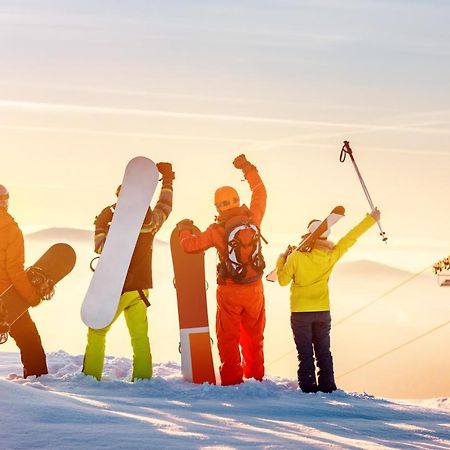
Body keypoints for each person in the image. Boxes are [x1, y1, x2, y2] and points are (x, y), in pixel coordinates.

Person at [177, 154, 267, 386]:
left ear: (218, 206)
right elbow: (260, 192)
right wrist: (248, 169)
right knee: (254, 335)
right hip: (255, 288)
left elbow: (190, 247)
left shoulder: (216, 229)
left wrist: (184, 231)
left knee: (228, 337)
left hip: (229, 291)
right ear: (237, 200)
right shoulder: (253, 218)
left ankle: (231, 379)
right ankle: (255, 376)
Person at [82, 162, 174, 381]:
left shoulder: (108, 215)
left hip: (115, 288)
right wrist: (168, 180)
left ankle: (91, 376)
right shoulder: (151, 220)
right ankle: (143, 378)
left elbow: (100, 246)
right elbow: (165, 207)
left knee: (97, 330)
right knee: (140, 337)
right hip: (140, 289)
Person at [276, 208, 381, 393]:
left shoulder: (296, 257)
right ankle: (327, 386)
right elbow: (350, 238)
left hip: (301, 312)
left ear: (308, 235)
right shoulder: (331, 256)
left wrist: (282, 260)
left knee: (305, 353)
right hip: (322, 311)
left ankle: (308, 387)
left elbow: (282, 281)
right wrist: (371, 219)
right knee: (323, 351)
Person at [0, 184, 48, 378]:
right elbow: (14, 270)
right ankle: (37, 381)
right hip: (6, 298)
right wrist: (31, 296)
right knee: (29, 339)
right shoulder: (10, 230)